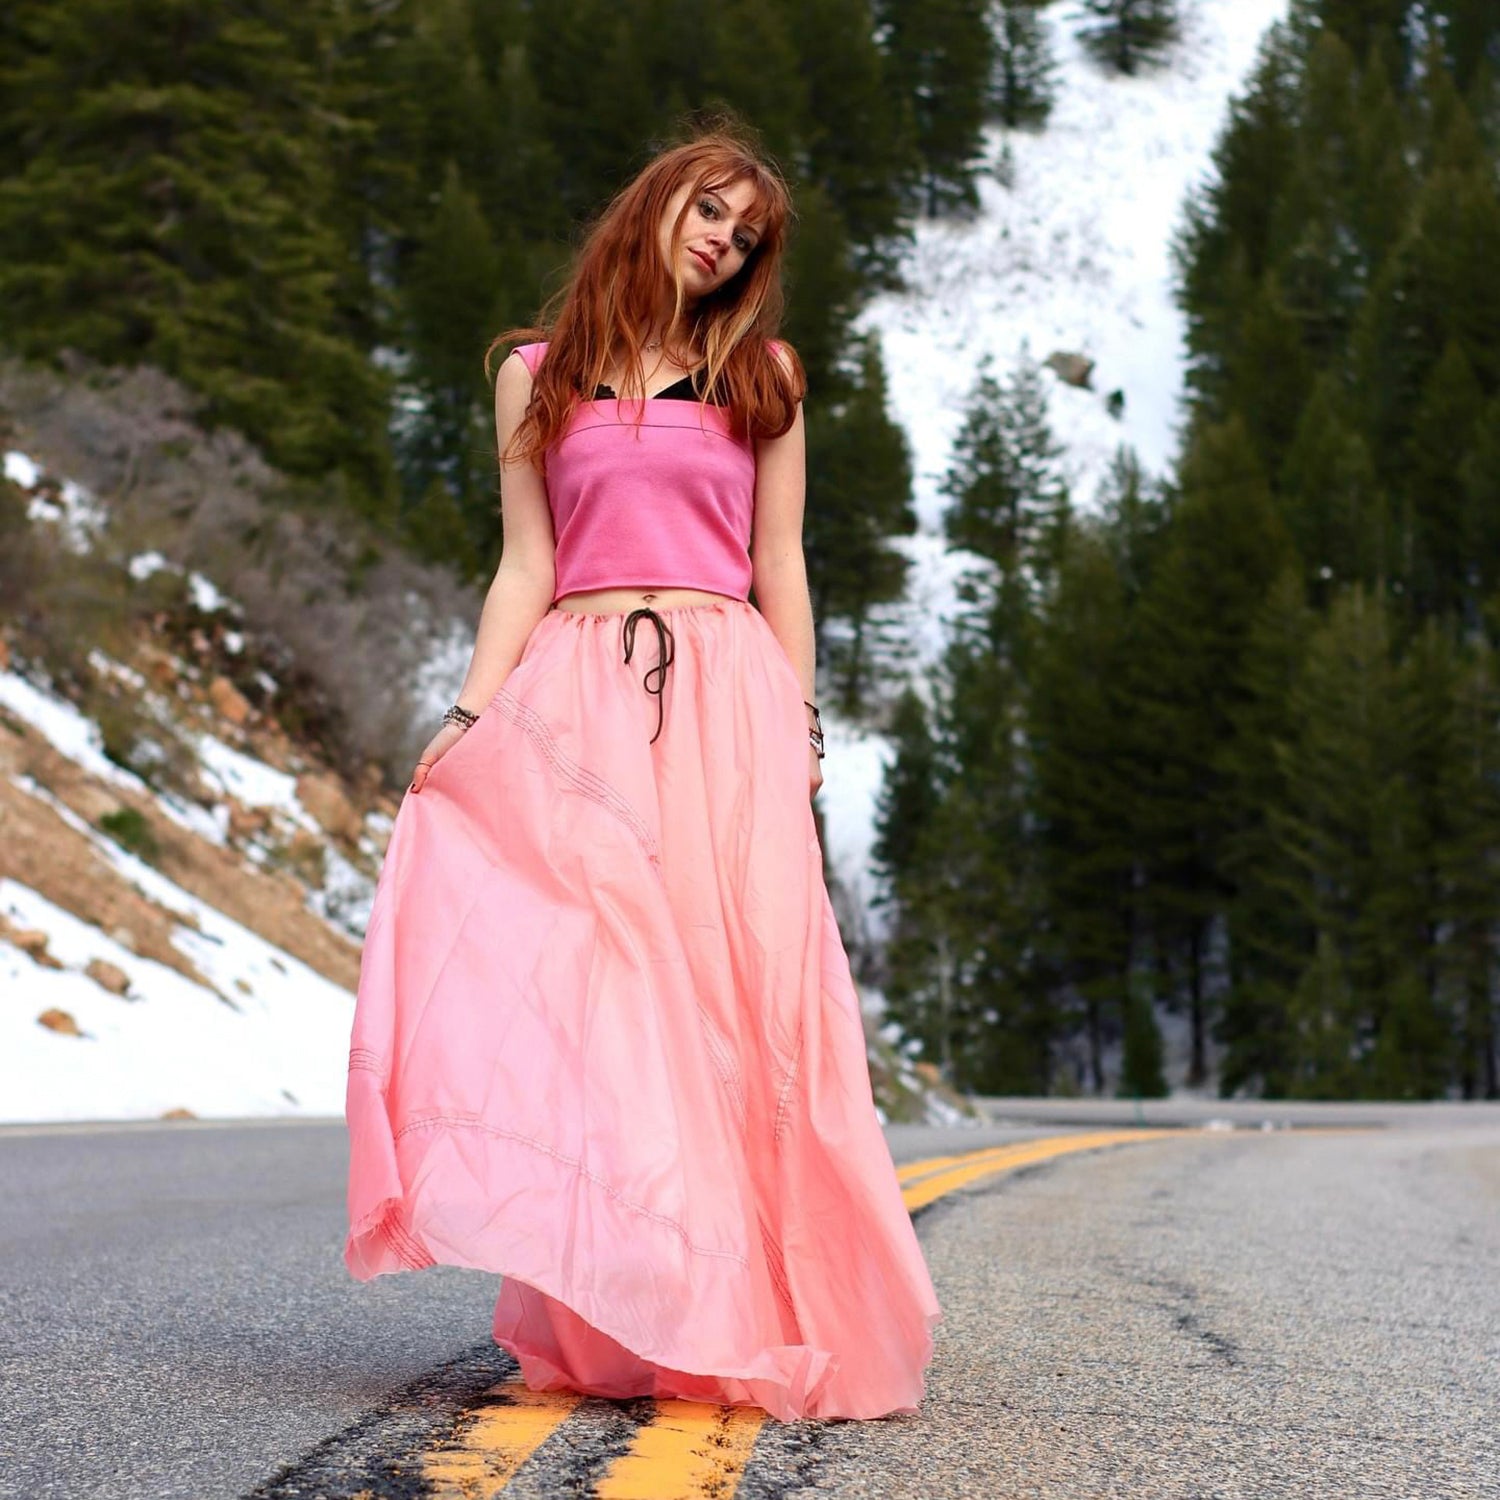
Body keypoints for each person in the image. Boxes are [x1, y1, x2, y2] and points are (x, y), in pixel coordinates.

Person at [343, 128, 941, 1423]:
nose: (724, 240)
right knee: (603, 999)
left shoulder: (765, 378)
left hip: (726, 698)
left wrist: (801, 729)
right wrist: (469, 713)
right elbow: (525, 565)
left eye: (746, 234)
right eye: (710, 210)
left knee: (738, 1002)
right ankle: (636, 1306)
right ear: (658, 202)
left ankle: (767, 1308)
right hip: (578, 696)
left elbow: (782, 566)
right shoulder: (534, 374)